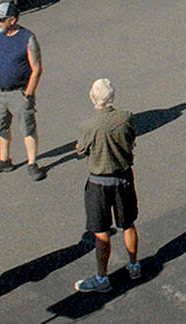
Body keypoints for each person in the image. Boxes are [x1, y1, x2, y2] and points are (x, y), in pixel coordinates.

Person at [73, 79, 141, 292]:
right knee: (128, 223)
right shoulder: (126, 117)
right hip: (124, 178)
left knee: (101, 231)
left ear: (93, 98)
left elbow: (80, 150)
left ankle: (102, 278)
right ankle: (133, 265)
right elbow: (132, 139)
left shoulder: (89, 126)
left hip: (99, 183)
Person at [0, 1, 46, 180]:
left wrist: (29, 93)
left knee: (28, 129)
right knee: (1, 127)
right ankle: (4, 160)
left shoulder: (27, 38)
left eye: (1, 20)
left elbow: (37, 68)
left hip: (19, 93)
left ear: (12, 20)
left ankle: (32, 163)